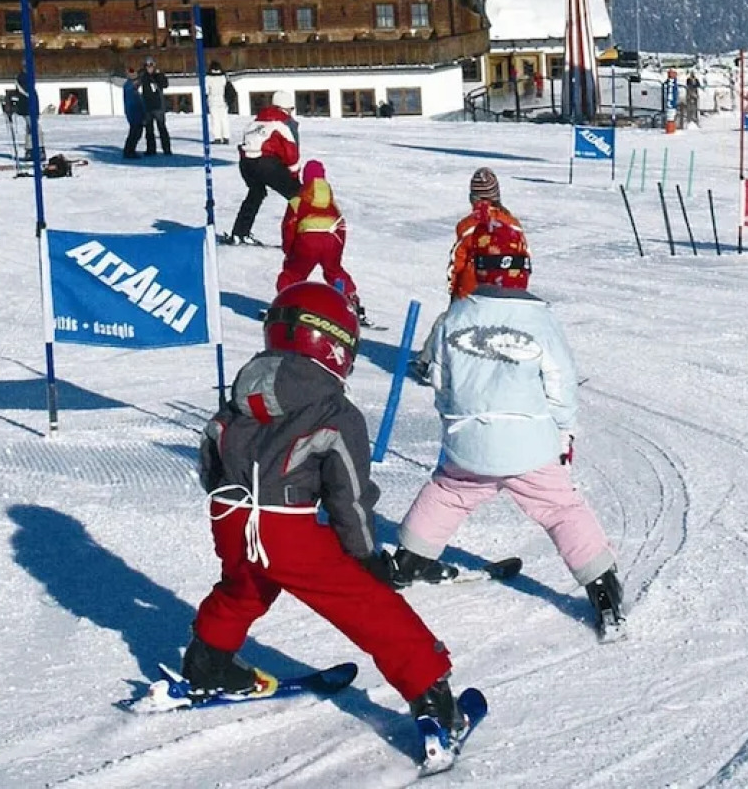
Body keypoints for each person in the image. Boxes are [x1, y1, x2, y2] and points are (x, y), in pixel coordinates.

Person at [183, 281, 470, 740]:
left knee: (246, 583)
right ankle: (432, 697)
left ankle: (207, 661)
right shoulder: (334, 410)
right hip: (284, 526)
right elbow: (348, 496)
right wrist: (364, 556)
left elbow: (210, 452)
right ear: (334, 343)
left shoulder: (241, 394)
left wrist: (232, 500)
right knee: (367, 603)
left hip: (229, 515)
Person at [387, 231, 625, 641]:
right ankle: (602, 590)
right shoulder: (541, 322)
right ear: (525, 271)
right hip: (529, 446)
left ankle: (409, 561)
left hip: (469, 441)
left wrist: (456, 422)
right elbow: (561, 385)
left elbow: (439, 380)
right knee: (560, 508)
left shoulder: (455, 317)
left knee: (448, 492)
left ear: (479, 270)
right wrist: (563, 433)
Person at [410, 168, 528, 384]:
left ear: (473, 197)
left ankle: (428, 363)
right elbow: (524, 256)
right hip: (508, 289)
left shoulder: (469, 225)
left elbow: (457, 261)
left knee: (448, 323)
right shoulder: (514, 224)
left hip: (473, 288)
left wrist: (454, 290)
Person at [277, 160, 365, 321]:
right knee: (334, 271)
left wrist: (289, 250)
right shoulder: (332, 203)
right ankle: (351, 303)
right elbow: (341, 226)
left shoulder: (297, 201)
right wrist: (337, 251)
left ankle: (287, 305)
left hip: (307, 241)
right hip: (332, 239)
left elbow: (289, 227)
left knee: (293, 273)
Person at [224, 90, 300, 246]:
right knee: (298, 196)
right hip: (267, 164)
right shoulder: (284, 123)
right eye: (291, 109)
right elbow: (291, 152)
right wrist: (294, 174)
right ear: (286, 108)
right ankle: (301, 237)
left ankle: (240, 233)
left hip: (246, 164)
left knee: (256, 193)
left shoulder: (254, 123)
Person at [136, 57, 171, 155]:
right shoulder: (144, 76)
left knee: (162, 128)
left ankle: (167, 149)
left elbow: (165, 84)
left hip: (158, 106)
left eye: (151, 65)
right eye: (147, 65)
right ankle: (151, 149)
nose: (149, 67)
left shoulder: (158, 75)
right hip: (147, 106)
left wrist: (158, 76)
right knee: (149, 129)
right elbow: (136, 80)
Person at [206, 62, 231, 145]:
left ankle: (217, 138)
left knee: (215, 120)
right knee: (224, 119)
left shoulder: (208, 78)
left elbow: (206, 90)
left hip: (213, 100)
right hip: (223, 100)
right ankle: (226, 137)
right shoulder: (224, 77)